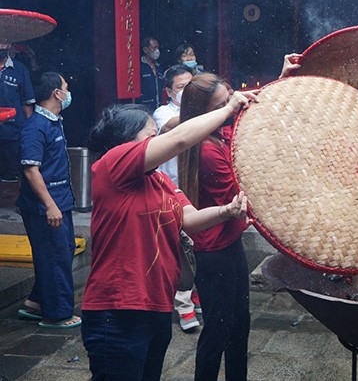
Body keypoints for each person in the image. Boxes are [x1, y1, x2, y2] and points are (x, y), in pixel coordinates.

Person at [80, 88, 256, 381]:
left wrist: (227, 211)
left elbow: (188, 219)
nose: (156, 141)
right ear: (126, 141)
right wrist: (227, 110)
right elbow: (179, 139)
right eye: (150, 136)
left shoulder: (159, 179)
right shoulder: (112, 165)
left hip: (156, 305)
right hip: (118, 309)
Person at [178, 73, 251, 381]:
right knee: (219, 331)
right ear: (204, 113)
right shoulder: (207, 151)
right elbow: (237, 201)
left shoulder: (216, 133)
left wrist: (282, 77)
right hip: (215, 252)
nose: (230, 108)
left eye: (228, 99)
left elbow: (244, 103)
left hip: (230, 245)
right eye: (222, 105)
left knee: (240, 325)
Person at [15, 71, 80, 328]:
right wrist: (50, 205)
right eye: (66, 87)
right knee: (54, 256)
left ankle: (36, 302)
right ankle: (57, 314)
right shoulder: (35, 128)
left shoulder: (53, 121)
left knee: (63, 251)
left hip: (61, 199)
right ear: (56, 93)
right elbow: (31, 170)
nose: (68, 91)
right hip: (46, 205)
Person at [152, 63, 202, 333]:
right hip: (172, 190)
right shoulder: (163, 113)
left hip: (195, 186)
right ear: (169, 92)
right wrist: (208, 108)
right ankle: (184, 306)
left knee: (197, 246)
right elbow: (176, 126)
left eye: (191, 85)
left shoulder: (205, 111)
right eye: (182, 88)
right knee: (180, 249)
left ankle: (194, 295)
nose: (187, 92)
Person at [0, 42, 35, 182]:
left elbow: (27, 104)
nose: (1, 46)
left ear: (10, 44)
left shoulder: (19, 69)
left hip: (12, 135)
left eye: (4, 42)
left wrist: (30, 133)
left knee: (12, 178)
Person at [140, 36, 164, 113]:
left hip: (158, 106)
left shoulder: (159, 66)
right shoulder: (139, 66)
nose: (157, 50)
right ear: (145, 50)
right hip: (144, 107)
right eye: (154, 48)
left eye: (158, 48)